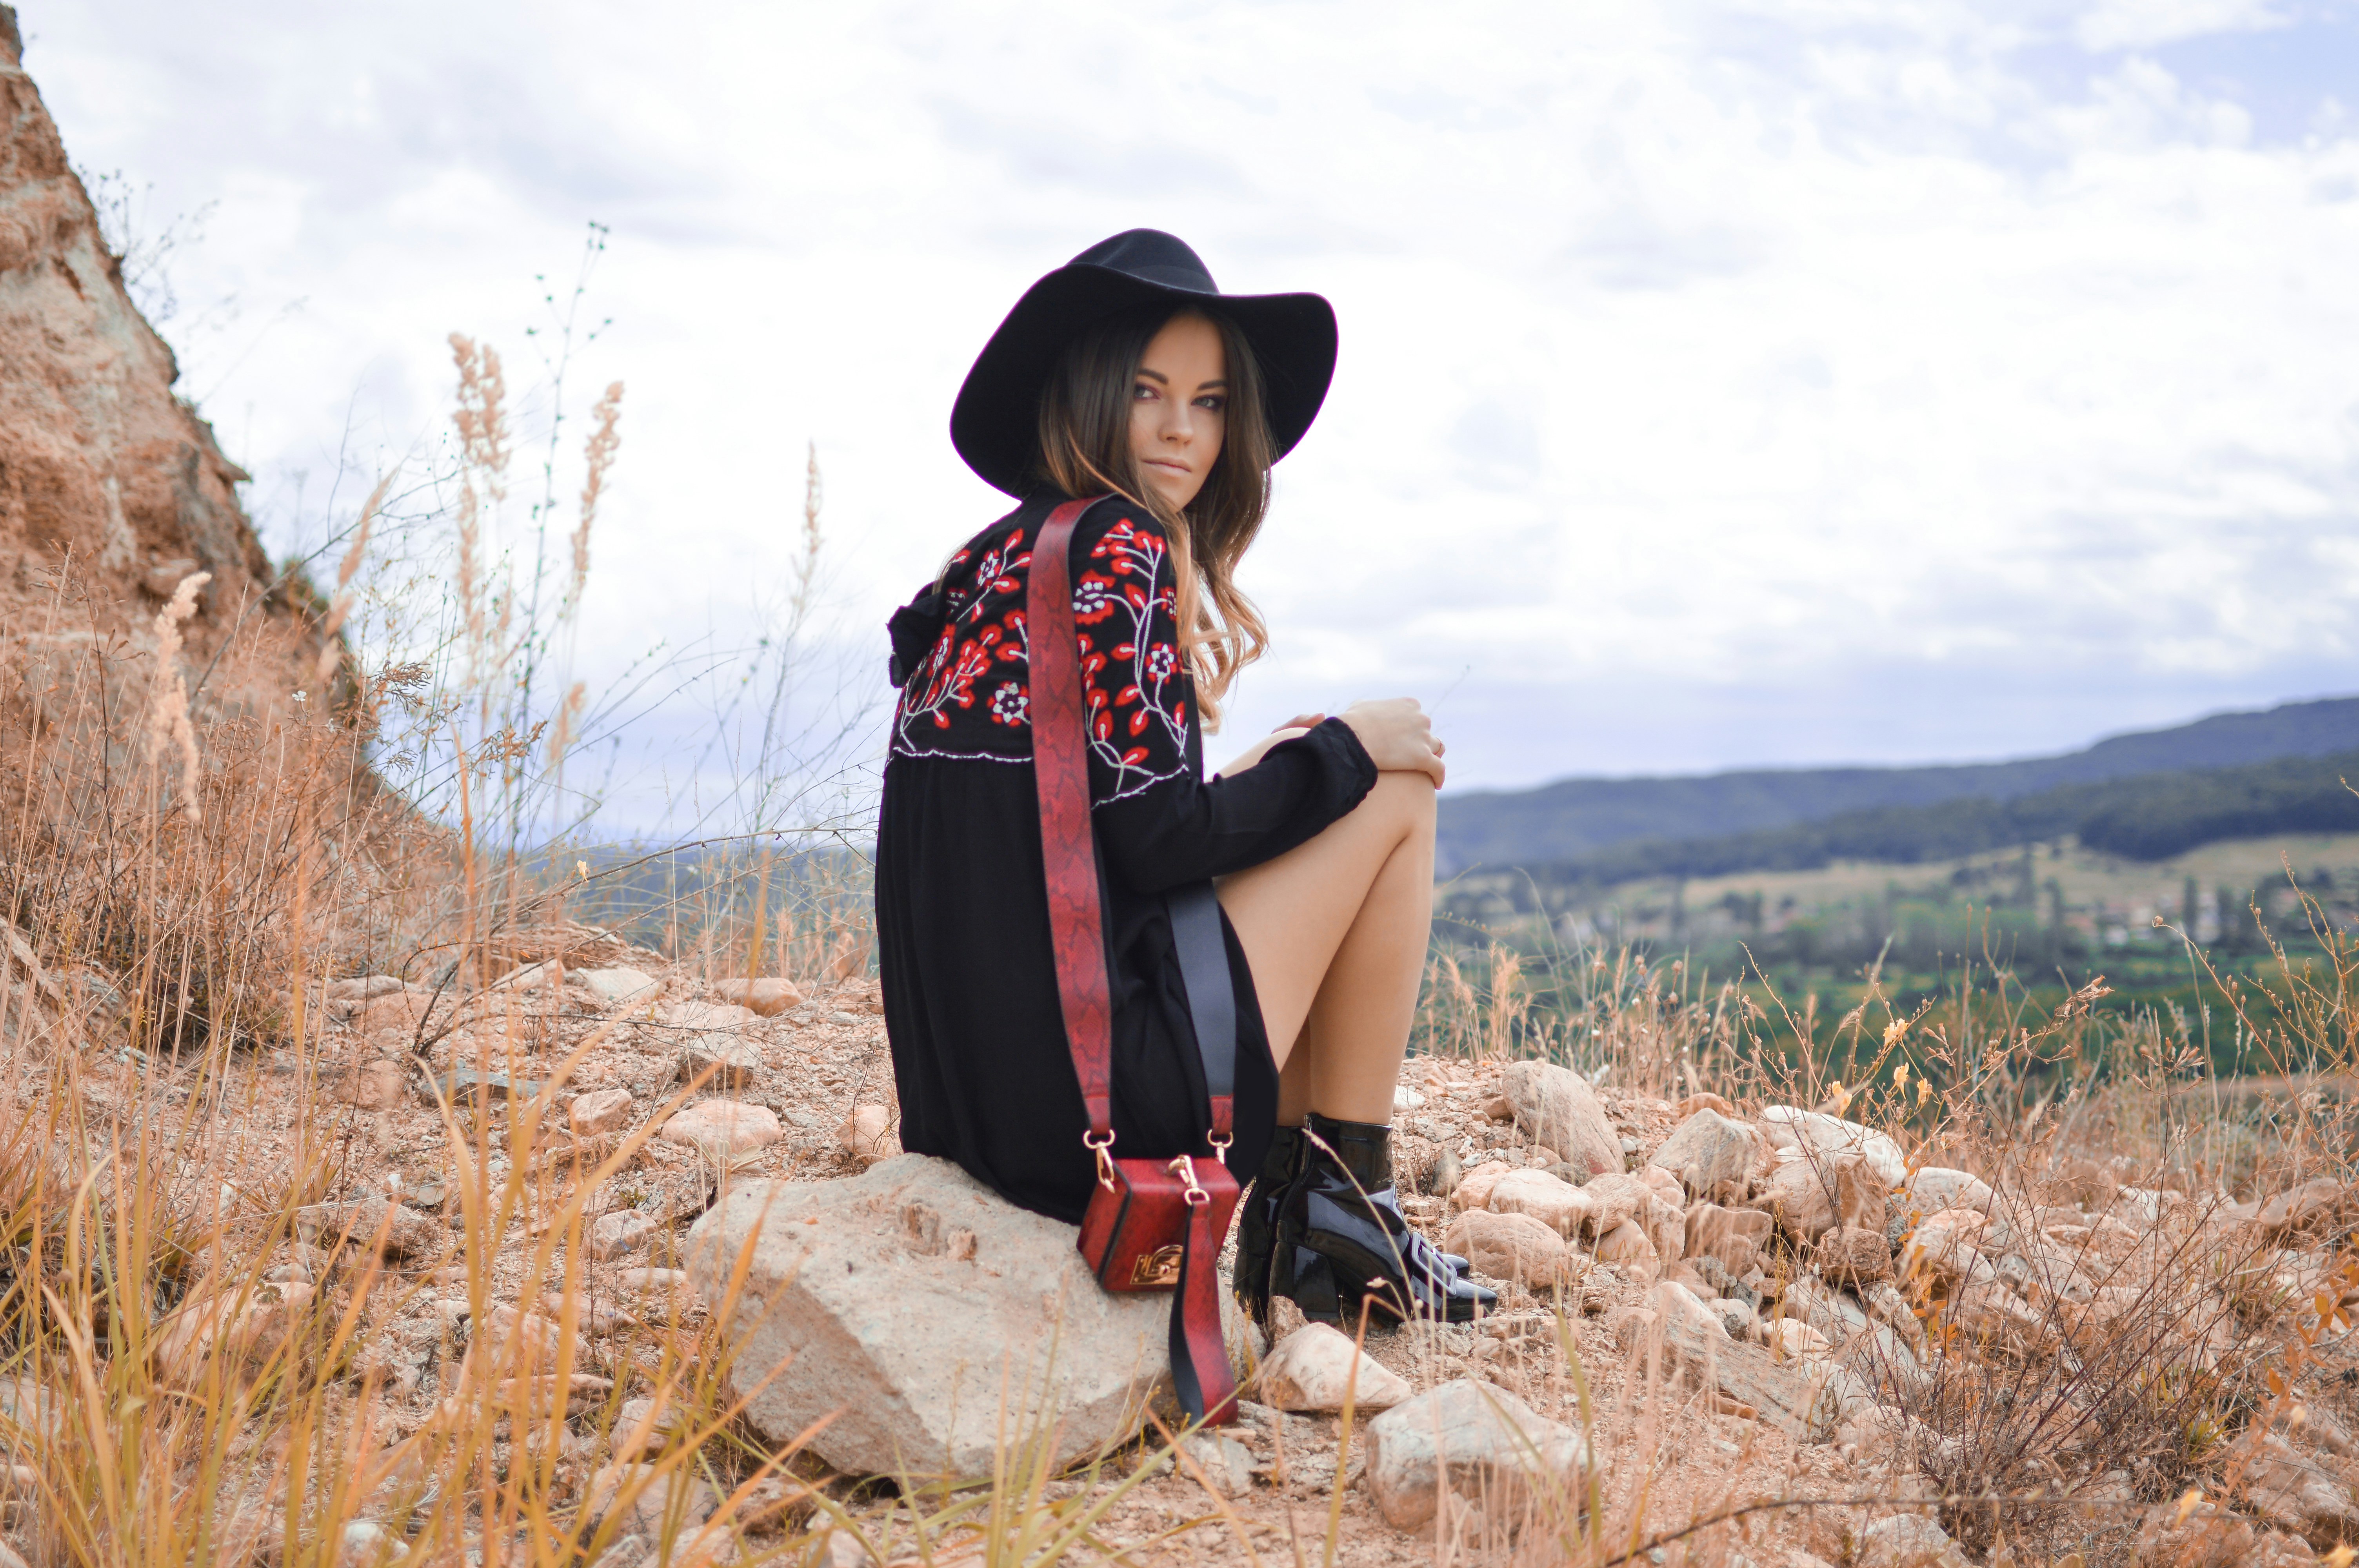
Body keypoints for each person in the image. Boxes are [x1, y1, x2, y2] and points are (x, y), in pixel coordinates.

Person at [876, 229, 1492, 1328]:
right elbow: (1157, 845)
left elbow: (1086, 824)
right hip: (1102, 1121)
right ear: (1092, 393)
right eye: (1150, 391)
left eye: (1209, 402)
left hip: (975, 1107)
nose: (1180, 429)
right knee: (1391, 790)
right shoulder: (1118, 552)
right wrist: (1345, 753)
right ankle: (1342, 1217)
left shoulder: (995, 562)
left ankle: (1323, 1226)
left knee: (1318, 778)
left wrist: (1282, 771)